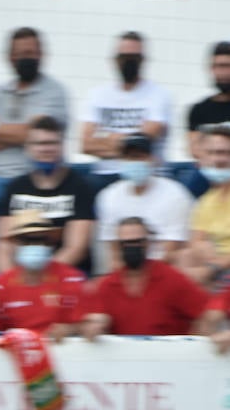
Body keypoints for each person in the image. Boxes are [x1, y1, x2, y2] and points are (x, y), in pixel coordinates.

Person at [0, 28, 69, 208]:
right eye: (20, 54)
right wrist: (20, 133)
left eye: (31, 53)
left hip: (35, 177)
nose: (26, 58)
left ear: (41, 55)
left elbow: (37, 134)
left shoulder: (55, 92)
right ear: (10, 58)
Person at [0, 116, 95, 274]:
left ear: (62, 146)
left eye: (52, 143)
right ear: (28, 148)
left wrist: (41, 281)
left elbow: (75, 248)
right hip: (20, 275)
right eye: (39, 143)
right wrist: (13, 281)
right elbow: (3, 247)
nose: (46, 149)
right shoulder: (15, 188)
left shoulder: (79, 187)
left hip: (64, 274)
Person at [81, 217, 213, 338]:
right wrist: (95, 326)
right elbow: (93, 320)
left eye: (138, 242)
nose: (132, 247)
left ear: (148, 244)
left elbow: (206, 314)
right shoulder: (107, 286)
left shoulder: (171, 278)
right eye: (125, 243)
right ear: (118, 246)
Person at [79, 31, 172, 192]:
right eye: (124, 57)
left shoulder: (159, 95)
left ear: (143, 60)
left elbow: (142, 143)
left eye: (134, 58)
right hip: (105, 176)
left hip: (148, 175)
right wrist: (130, 143)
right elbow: (86, 144)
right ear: (115, 60)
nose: (129, 62)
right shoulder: (97, 95)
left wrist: (105, 138)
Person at [94, 134, 193, 273]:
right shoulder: (108, 196)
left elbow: (171, 250)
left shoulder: (175, 194)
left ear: (153, 159)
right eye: (128, 158)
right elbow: (114, 253)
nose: (134, 162)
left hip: (164, 272)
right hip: (124, 273)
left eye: (139, 157)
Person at [0, 210, 85, 338]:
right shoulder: (0, 285)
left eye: (41, 240)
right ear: (14, 245)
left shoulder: (71, 279)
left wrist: (70, 329)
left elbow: (85, 325)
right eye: (26, 240)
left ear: (50, 244)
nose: (34, 245)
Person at [185, 123, 230, 285]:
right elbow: (196, 239)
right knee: (184, 257)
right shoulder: (207, 200)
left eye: (224, 153)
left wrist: (213, 266)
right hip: (216, 264)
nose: (217, 159)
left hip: (222, 267)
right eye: (211, 153)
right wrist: (206, 255)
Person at [185, 41, 230, 164]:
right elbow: (194, 149)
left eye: (227, 66)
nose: (223, 73)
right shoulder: (199, 110)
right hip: (209, 169)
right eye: (218, 66)